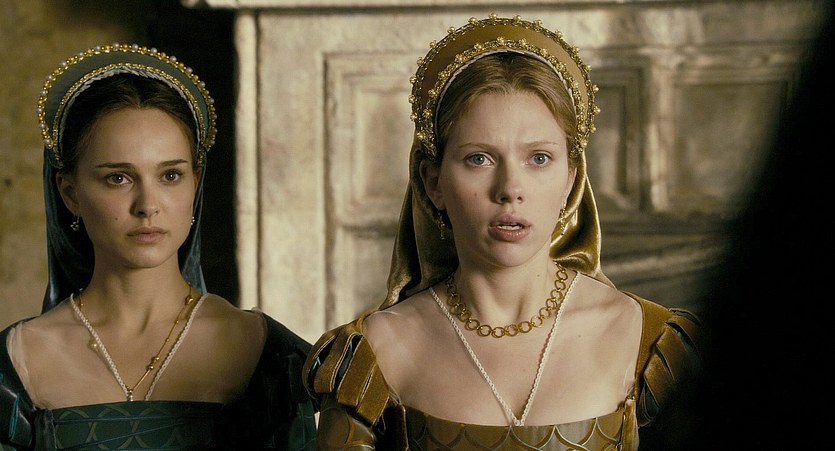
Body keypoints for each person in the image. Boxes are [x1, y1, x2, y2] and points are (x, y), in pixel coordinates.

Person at [304, 14, 701, 450]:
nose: (510, 189)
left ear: (570, 179)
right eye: (479, 158)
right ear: (434, 183)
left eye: (539, 158)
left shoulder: (648, 344)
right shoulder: (374, 354)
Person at [0, 44, 316, 450]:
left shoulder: (262, 352)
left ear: (195, 183)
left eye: (170, 176)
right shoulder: (20, 361)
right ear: (70, 193)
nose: (148, 205)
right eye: (118, 178)